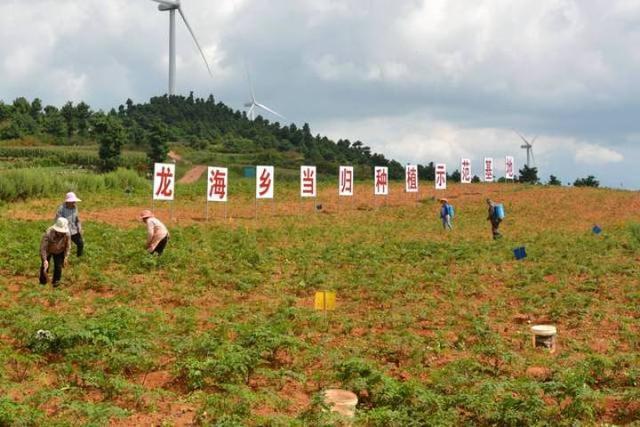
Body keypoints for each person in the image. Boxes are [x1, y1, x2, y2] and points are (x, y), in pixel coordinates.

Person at [39, 217, 71, 287]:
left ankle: (56, 283)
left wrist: (66, 256)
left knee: (58, 267)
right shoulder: (49, 233)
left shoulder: (67, 234)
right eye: (60, 231)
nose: (61, 233)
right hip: (48, 251)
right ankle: (42, 283)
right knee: (45, 267)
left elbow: (68, 246)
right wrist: (45, 260)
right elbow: (43, 248)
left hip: (60, 251)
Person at [55, 192, 83, 257]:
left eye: (74, 201)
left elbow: (77, 219)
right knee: (64, 247)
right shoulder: (61, 209)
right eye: (72, 201)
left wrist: (79, 228)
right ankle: (63, 259)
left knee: (80, 243)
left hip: (74, 230)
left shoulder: (75, 208)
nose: (74, 202)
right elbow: (58, 221)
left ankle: (79, 257)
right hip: (64, 230)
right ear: (68, 202)